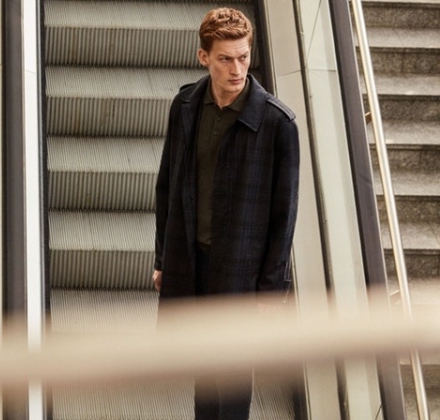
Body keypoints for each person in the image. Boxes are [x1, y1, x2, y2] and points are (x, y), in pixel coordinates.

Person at [151, 7, 300, 420]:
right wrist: (163, 260)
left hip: (241, 271)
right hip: (191, 261)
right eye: (225, 59)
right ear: (204, 57)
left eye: (243, 57)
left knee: (232, 380)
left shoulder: (277, 123)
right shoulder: (185, 105)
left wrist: (270, 291)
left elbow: (283, 218)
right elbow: (168, 186)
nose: (237, 69)